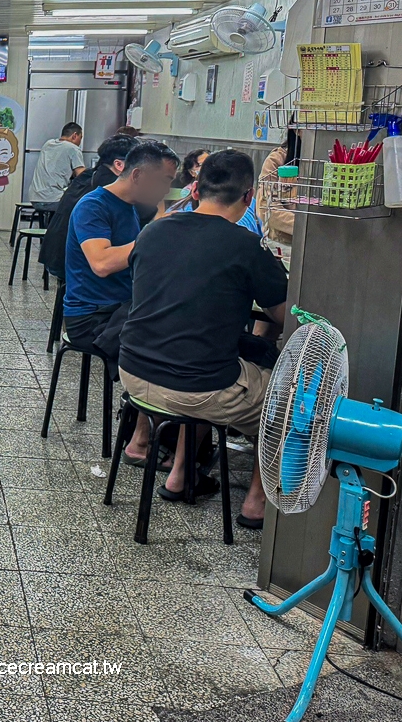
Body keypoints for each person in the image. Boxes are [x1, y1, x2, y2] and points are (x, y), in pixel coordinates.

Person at [118, 151, 287, 527]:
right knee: (287, 400)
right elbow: (282, 314)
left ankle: (180, 475)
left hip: (133, 373)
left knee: (205, 360)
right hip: (195, 387)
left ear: (195, 189)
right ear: (249, 197)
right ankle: (257, 503)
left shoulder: (154, 230)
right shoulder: (245, 246)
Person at [63, 140, 179, 365]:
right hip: (91, 317)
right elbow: (102, 263)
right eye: (164, 181)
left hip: (119, 308)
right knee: (172, 341)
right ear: (137, 176)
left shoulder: (130, 206)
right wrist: (152, 234)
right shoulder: (93, 206)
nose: (165, 190)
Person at [40, 134, 136, 282]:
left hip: (54, 253)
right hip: (76, 265)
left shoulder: (88, 175)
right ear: (119, 164)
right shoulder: (113, 188)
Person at [29, 122, 86, 212]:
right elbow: (82, 176)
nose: (80, 142)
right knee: (84, 204)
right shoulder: (73, 148)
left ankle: (51, 225)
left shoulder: (48, 144)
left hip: (35, 199)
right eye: (81, 138)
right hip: (54, 200)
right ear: (74, 135)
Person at [257, 136, 297, 248]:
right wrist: (305, 227)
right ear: (296, 130)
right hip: (283, 245)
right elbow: (266, 208)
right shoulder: (278, 159)